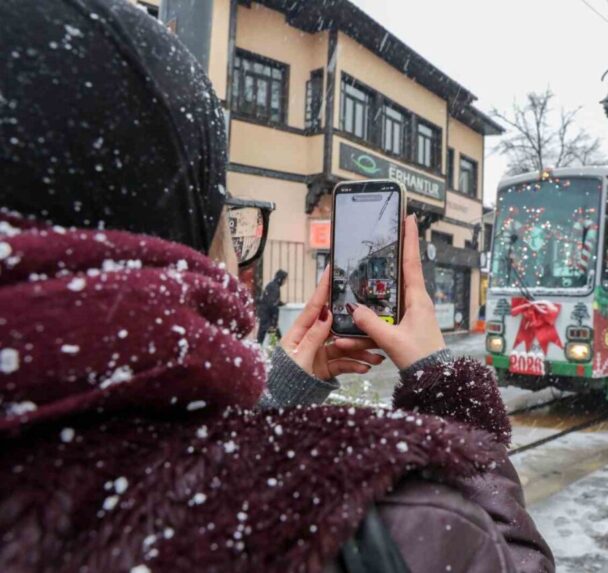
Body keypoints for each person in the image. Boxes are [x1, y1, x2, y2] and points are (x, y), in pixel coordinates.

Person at [0, 1, 554, 571]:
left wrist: (276, 395)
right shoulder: (376, 522)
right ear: (182, 230)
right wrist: (449, 392)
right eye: (228, 215)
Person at [257, 269, 287, 343]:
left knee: (262, 335)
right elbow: (272, 303)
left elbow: (270, 299)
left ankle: (259, 349)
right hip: (268, 316)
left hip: (265, 314)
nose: (285, 282)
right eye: (285, 279)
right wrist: (274, 319)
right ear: (281, 279)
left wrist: (281, 303)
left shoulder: (272, 285)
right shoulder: (275, 288)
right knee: (271, 335)